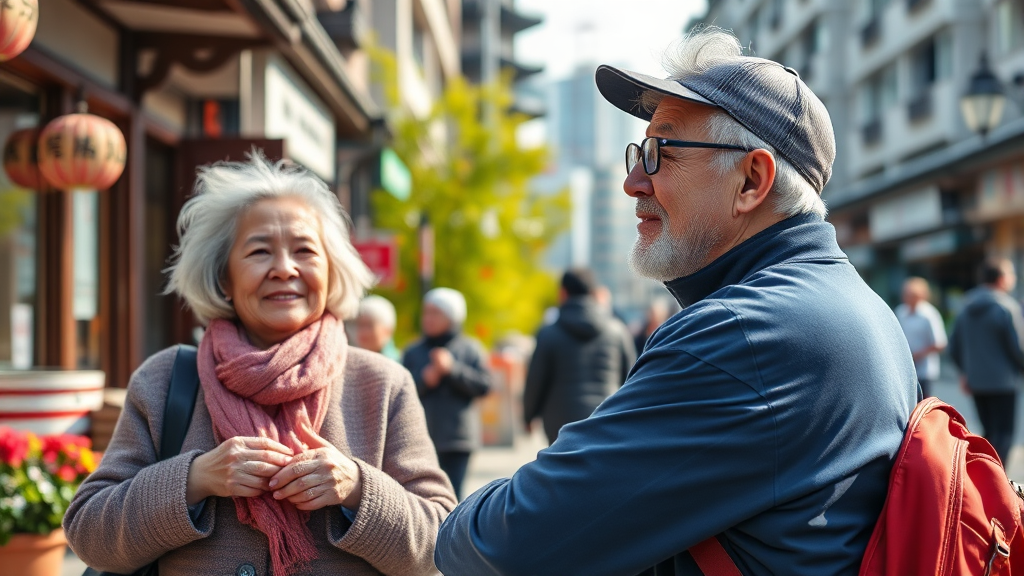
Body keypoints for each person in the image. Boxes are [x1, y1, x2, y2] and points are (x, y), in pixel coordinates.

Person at [434, 27, 917, 576]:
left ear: (752, 180)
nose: (634, 182)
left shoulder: (746, 334)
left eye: (661, 151)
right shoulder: (859, 307)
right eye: (638, 152)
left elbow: (509, 546)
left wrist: (440, 518)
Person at [64, 154, 456, 576]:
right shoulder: (164, 380)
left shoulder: (382, 384)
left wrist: (358, 488)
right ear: (224, 278)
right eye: (260, 251)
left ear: (331, 272)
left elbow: (441, 544)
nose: (284, 268)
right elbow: (90, 534)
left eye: (304, 250)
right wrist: (195, 478)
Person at [522, 268, 636, 444]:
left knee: (562, 470)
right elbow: (631, 379)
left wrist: (528, 417)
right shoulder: (618, 331)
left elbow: (536, 379)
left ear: (563, 293)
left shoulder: (548, 334)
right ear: (592, 292)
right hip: (607, 419)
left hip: (560, 425)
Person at [403, 288, 491, 500]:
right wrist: (425, 379)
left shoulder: (470, 348)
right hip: (420, 439)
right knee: (421, 499)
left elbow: (485, 386)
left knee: (454, 499)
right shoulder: (413, 351)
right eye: (426, 312)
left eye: (435, 312)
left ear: (452, 317)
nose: (428, 318)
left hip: (457, 440)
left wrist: (453, 370)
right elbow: (400, 391)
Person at [949, 257, 1024, 464]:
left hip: (976, 381)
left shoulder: (965, 306)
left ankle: (987, 478)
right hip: (1005, 382)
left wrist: (966, 372)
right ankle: (1000, 484)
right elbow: (1018, 348)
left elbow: (953, 346)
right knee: (1005, 434)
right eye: (1011, 273)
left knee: (989, 432)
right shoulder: (1006, 307)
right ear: (1001, 279)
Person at [895, 277, 947, 398]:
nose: (906, 297)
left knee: (923, 405)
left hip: (925, 370)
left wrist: (918, 355)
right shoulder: (900, 312)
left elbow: (940, 343)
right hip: (905, 369)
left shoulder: (929, 314)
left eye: (911, 295)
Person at [355, 294, 401, 361]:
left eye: (369, 325)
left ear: (387, 330)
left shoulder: (400, 363)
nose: (364, 332)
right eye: (361, 325)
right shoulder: (352, 361)